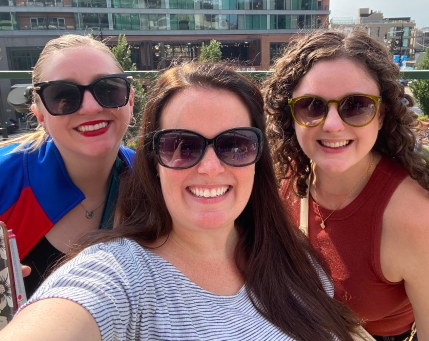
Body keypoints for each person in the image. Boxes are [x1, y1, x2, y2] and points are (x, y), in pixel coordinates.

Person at [1, 63, 360, 341]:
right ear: (153, 161)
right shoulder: (120, 275)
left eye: (235, 144)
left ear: (257, 158)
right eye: (181, 146)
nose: (209, 167)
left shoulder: (292, 254)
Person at [264, 30, 429, 340]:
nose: (332, 124)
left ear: (381, 116)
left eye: (355, 105)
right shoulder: (282, 177)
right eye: (312, 106)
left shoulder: (417, 218)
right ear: (291, 116)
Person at [0, 35, 135, 302]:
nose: (91, 107)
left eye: (108, 89)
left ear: (130, 100)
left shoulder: (159, 178)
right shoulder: (6, 179)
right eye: (63, 95)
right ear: (40, 115)